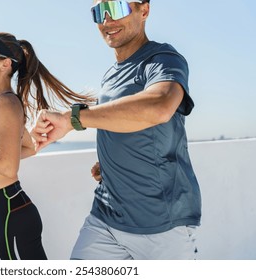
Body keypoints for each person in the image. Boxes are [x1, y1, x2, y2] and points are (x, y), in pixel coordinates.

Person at [32, 0, 201, 260]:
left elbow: (159, 107)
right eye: (99, 12)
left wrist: (73, 119)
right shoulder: (111, 74)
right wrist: (112, 162)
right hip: (105, 218)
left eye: (118, 7)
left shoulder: (162, 59)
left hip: (162, 225)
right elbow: (125, 123)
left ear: (144, 11)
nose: (107, 20)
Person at [0, 32, 95, 260]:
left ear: (5, 64)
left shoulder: (5, 103)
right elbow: (28, 148)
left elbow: (8, 167)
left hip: (10, 213)